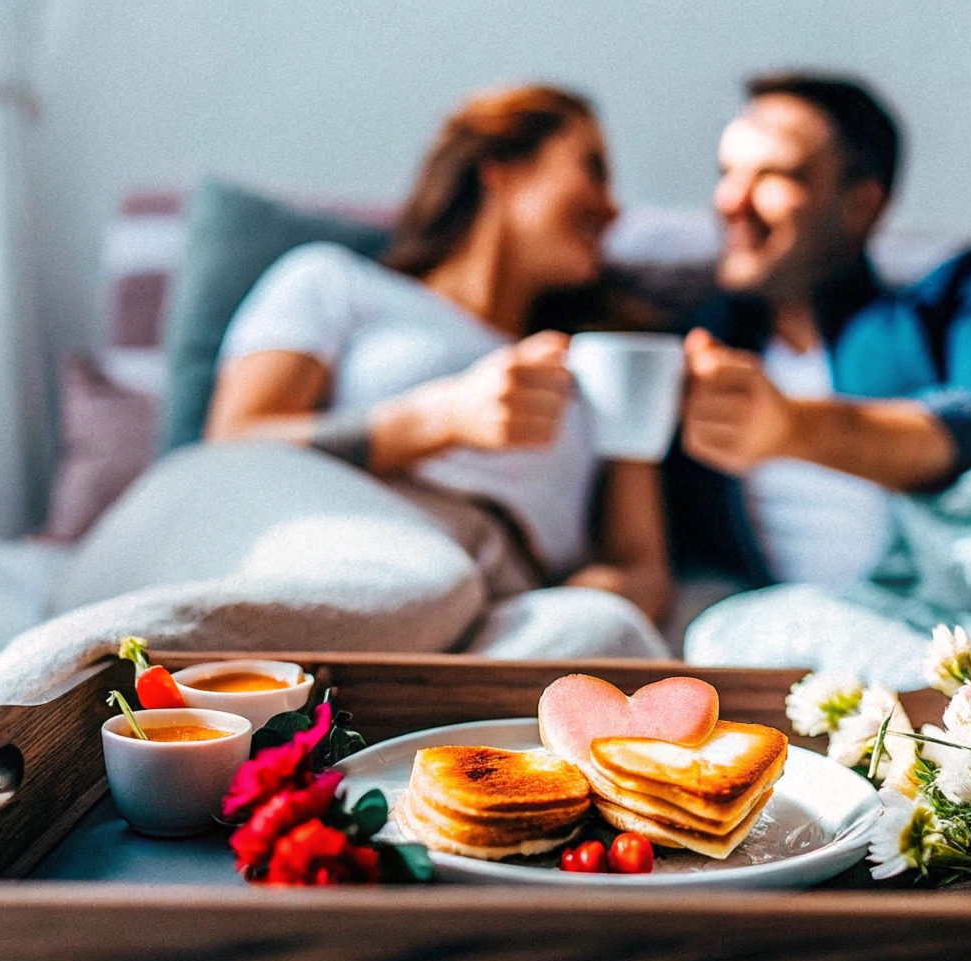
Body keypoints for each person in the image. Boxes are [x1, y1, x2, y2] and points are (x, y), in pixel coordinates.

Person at [206, 84, 671, 630]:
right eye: (592, 168)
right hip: (365, 548)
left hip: (516, 610)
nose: (613, 208)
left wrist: (599, 601)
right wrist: (441, 418)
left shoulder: (602, 359)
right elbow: (229, 448)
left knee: (600, 632)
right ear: (499, 166)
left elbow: (642, 567)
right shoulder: (336, 282)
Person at [667, 73, 971, 588]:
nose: (732, 201)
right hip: (763, 631)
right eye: (727, 173)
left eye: (774, 175)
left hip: (962, 614)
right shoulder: (689, 346)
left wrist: (788, 428)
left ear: (861, 205)